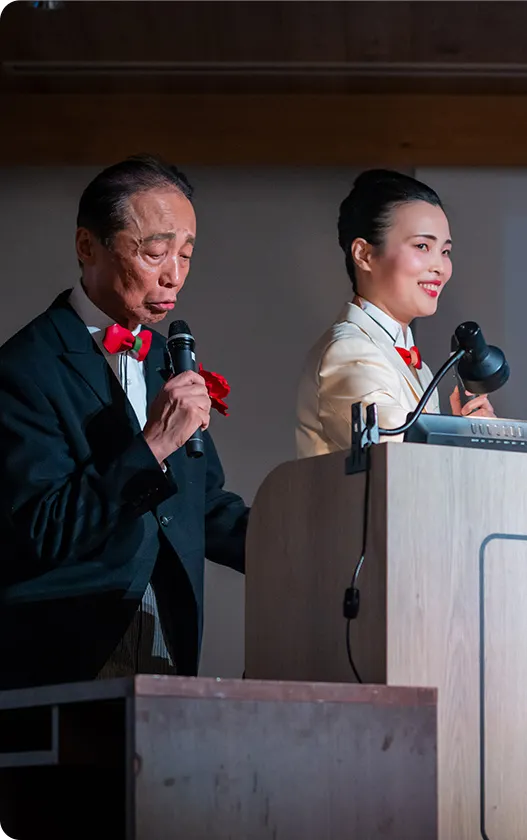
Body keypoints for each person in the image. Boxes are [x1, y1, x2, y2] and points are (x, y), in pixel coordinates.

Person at [0, 154, 249, 691]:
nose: (174, 274)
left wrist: (306, 548)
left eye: (186, 254)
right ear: (87, 246)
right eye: (155, 252)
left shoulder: (164, 357)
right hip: (68, 645)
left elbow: (202, 505)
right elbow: (38, 530)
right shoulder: (23, 368)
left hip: (167, 631)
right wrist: (153, 444)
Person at [295, 169, 495, 459]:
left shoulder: (413, 364)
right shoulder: (349, 350)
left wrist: (468, 432)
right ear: (364, 254)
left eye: (445, 252)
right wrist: (464, 438)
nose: (439, 267)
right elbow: (396, 456)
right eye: (422, 246)